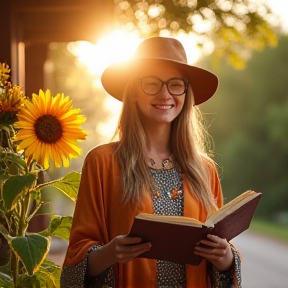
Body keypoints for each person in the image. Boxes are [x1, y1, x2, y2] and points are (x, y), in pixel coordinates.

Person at [60, 36, 241, 288]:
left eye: (175, 84)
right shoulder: (102, 163)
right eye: (151, 83)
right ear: (133, 91)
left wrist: (226, 259)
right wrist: (110, 253)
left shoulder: (204, 170)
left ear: (186, 93)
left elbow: (220, 252)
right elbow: (75, 260)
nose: (165, 94)